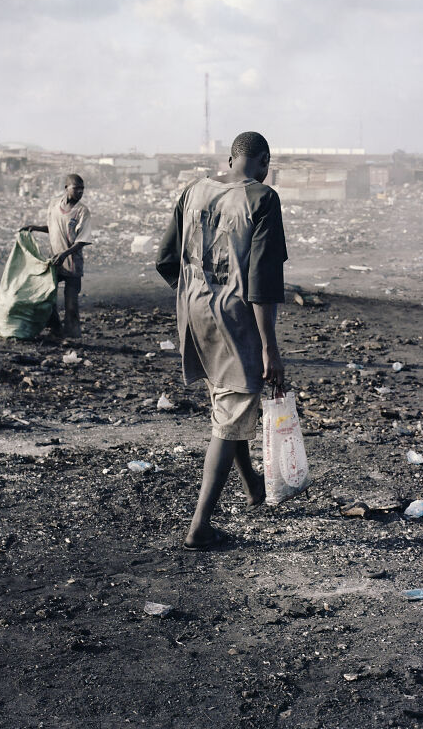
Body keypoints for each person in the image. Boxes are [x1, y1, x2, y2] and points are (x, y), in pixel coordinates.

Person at [156, 131, 287, 550]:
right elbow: (261, 283)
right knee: (234, 407)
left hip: (193, 307)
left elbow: (164, 259)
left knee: (227, 399)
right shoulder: (263, 199)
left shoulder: (193, 190)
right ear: (264, 161)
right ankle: (200, 528)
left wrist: (196, 291)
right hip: (235, 315)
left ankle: (252, 487)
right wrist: (270, 347)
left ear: (231, 158)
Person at [22, 173, 92, 340]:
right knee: (47, 296)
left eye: (82, 189)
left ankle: (73, 335)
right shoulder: (54, 205)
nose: (80, 192)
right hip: (54, 260)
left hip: (73, 263)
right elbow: (52, 227)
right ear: (66, 188)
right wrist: (36, 228)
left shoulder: (82, 211)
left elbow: (82, 240)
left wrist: (65, 254)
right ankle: (55, 328)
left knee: (71, 303)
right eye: (76, 188)